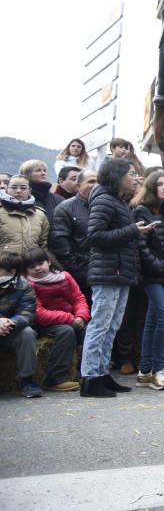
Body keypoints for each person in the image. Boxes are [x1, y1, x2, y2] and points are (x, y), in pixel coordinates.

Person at [80, 158, 152, 398]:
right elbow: (95, 236)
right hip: (108, 273)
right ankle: (90, 378)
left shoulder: (118, 201)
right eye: (130, 173)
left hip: (119, 272)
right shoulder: (104, 200)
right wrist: (133, 230)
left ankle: (101, 374)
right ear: (117, 175)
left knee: (111, 327)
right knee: (100, 325)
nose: (134, 178)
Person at [131, 171, 164, 391]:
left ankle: (145, 370)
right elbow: (141, 246)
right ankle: (158, 369)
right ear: (151, 187)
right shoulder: (142, 210)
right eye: (159, 184)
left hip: (163, 274)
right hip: (150, 275)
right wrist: (161, 266)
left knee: (152, 320)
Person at [22, 247, 87, 392]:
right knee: (66, 331)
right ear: (26, 270)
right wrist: (70, 319)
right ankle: (55, 378)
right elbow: (38, 312)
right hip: (42, 323)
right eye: (32, 267)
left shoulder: (65, 276)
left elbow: (78, 298)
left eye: (40, 263)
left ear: (49, 262)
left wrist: (81, 316)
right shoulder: (29, 284)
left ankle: (86, 372)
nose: (37, 268)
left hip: (71, 318)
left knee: (90, 330)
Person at [49, 169, 97, 303]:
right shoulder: (65, 208)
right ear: (78, 185)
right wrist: (79, 272)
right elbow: (60, 245)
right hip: (80, 275)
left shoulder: (105, 207)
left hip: (102, 273)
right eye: (91, 181)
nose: (96, 185)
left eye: (99, 182)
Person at [0, 252, 44, 397]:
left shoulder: (24, 287)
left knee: (27, 332)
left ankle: (27, 380)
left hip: (9, 330)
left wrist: (8, 323)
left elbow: (27, 314)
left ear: (11, 272)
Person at [0, 175, 49, 254]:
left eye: (23, 188)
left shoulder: (40, 214)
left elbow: (44, 245)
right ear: (6, 189)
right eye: (14, 187)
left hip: (32, 264)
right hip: (5, 264)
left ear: (29, 191)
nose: (18, 191)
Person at [19, 160, 63, 225]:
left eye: (44, 170)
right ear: (26, 174)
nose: (43, 173)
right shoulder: (20, 197)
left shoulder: (59, 199)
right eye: (38, 170)